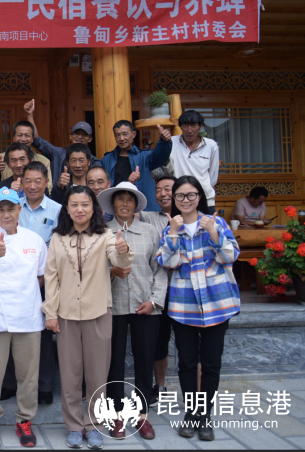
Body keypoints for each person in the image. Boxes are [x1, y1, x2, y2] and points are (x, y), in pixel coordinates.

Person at [42, 186, 134, 450]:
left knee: (97, 375)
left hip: (98, 312)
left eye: (85, 204)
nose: (79, 209)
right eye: (74, 204)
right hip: (66, 314)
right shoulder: (57, 238)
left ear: (94, 208)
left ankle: (94, 425)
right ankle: (73, 426)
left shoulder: (105, 235)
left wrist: (123, 249)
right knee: (70, 375)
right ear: (67, 209)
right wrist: (51, 313)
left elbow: (118, 259)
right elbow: (51, 278)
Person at [156, 176, 240, 442]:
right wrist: (172, 233)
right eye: (180, 196)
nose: (186, 200)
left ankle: (205, 416)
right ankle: (191, 414)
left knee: (212, 363)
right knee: (187, 363)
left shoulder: (216, 223)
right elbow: (167, 262)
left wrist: (213, 233)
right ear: (174, 199)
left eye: (191, 195)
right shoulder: (171, 227)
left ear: (199, 197)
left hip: (217, 304)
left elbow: (230, 256)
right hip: (183, 306)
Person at [0, 188, 48, 448]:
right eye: (1, 209)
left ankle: (24, 420)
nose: (6, 214)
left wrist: (29, 297)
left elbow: (41, 277)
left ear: (19, 210)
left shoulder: (35, 240)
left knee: (28, 376)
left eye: (11, 209)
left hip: (28, 318)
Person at [98, 182, 167, 441]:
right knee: (114, 362)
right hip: (112, 306)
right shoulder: (103, 232)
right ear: (112, 204)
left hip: (145, 306)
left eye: (130, 199)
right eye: (120, 199)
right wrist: (111, 272)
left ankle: (141, 415)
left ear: (136, 205)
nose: (125, 204)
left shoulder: (150, 231)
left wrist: (155, 301)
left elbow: (160, 270)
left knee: (144, 361)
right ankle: (116, 414)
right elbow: (94, 270)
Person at [1, 162, 61, 406]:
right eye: (28, 181)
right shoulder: (13, 207)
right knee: (11, 331)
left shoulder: (58, 210)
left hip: (46, 280)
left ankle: (44, 386)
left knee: (42, 334)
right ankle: (9, 383)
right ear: (21, 182)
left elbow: (59, 246)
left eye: (38, 181)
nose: (33, 185)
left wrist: (44, 277)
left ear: (46, 182)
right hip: (14, 280)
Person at [139, 175, 175, 405]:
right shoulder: (150, 217)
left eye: (168, 189)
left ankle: (196, 394)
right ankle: (160, 387)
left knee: (191, 344)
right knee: (159, 342)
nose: (162, 194)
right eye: (158, 190)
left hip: (186, 292)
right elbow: (127, 209)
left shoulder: (193, 219)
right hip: (161, 291)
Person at [23, 99, 101, 202]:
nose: (80, 137)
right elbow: (37, 141)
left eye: (84, 135)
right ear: (70, 136)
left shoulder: (95, 162)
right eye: (77, 134)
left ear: (90, 139)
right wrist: (29, 115)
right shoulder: (58, 153)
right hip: (57, 201)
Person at [101, 120, 173, 212]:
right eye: (117, 135)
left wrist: (164, 142)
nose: (121, 138)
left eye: (125, 134)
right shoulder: (106, 160)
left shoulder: (145, 156)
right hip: (117, 209)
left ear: (134, 134)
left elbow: (160, 156)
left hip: (144, 210)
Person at [170, 110, 220, 212]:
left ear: (200, 126)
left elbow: (213, 176)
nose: (189, 130)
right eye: (185, 126)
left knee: (206, 223)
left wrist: (202, 188)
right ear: (180, 127)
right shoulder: (171, 142)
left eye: (193, 126)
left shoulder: (211, 145)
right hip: (180, 200)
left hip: (205, 199)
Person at [0, 120, 52, 193]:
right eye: (19, 135)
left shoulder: (43, 161)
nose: (23, 139)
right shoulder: (1, 158)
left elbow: (48, 189)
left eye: (27, 135)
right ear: (13, 137)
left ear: (32, 139)